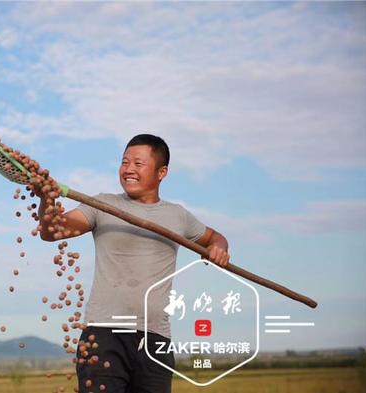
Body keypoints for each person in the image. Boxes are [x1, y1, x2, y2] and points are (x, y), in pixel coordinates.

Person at [37, 134, 230, 393]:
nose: (128, 169)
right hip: (103, 336)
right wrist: (46, 198)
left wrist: (219, 248)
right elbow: (52, 231)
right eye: (124, 162)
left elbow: (214, 237)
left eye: (138, 164)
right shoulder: (103, 204)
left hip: (155, 339)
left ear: (162, 172)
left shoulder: (177, 216)